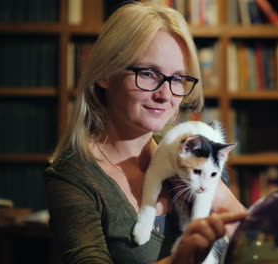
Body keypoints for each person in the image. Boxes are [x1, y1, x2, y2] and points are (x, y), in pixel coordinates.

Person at [44, 2, 246, 264]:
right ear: (105, 74)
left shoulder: (199, 157)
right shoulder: (73, 176)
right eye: (149, 73)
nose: (165, 95)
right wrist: (180, 260)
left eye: (176, 79)